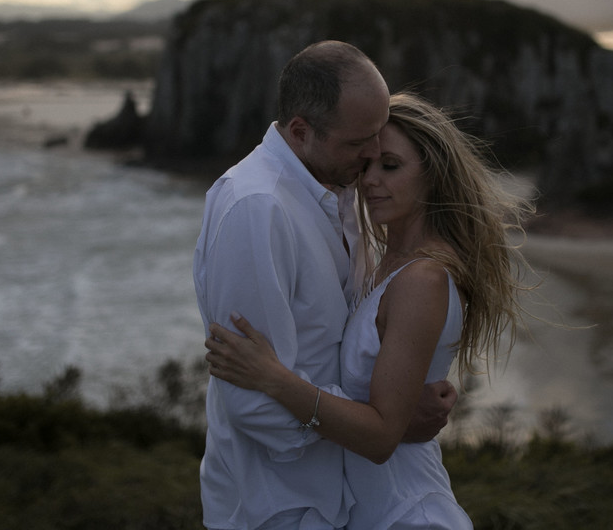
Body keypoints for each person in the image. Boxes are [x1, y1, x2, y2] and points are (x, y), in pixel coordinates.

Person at [207, 92, 534, 530]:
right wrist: (401, 415)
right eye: (366, 165)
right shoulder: (382, 260)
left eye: (390, 166)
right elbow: (382, 407)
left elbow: (380, 438)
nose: (369, 181)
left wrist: (275, 379)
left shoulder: (422, 278)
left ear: (433, 175)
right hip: (366, 510)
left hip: (406, 511)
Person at [193, 42, 457, 530]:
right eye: (361, 141)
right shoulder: (258, 208)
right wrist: (386, 421)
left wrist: (388, 415)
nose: (374, 153)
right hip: (274, 506)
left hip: (336, 501)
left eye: (380, 137)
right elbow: (253, 405)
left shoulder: (340, 192)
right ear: (301, 131)